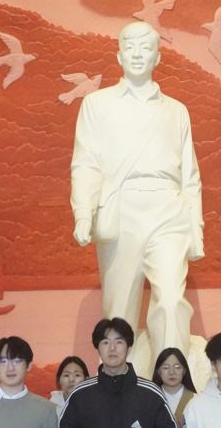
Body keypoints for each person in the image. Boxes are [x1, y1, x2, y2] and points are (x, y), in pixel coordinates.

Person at [70, 21, 205, 356]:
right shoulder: (97, 104)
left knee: (171, 300)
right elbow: (86, 163)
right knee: (119, 313)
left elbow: (190, 176)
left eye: (145, 48)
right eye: (129, 47)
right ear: (118, 56)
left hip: (168, 209)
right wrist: (83, 213)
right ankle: (120, 381)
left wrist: (196, 229)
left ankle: (172, 378)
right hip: (121, 207)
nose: (137, 54)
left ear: (158, 57)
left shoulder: (176, 111)